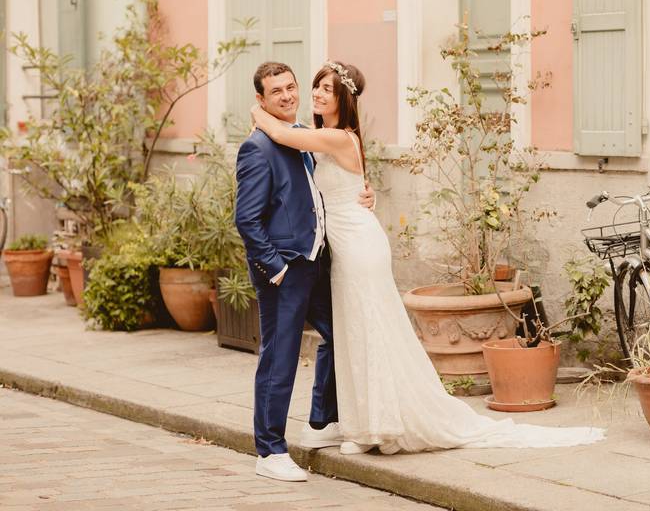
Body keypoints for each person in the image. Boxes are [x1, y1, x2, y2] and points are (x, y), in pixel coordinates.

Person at [250, 60, 604, 455]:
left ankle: (378, 426)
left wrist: (257, 110)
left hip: (360, 248)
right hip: (343, 247)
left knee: (369, 331)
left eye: (325, 89)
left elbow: (280, 132)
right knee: (353, 334)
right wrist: (364, 192)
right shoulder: (322, 136)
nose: (315, 94)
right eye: (315, 86)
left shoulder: (337, 137)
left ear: (343, 99)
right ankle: (357, 422)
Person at [234, 61, 375, 482]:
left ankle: (321, 421)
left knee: (338, 333)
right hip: (284, 269)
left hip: (313, 260)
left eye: (291, 87)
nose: (287, 95)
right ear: (261, 99)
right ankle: (270, 450)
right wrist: (275, 269)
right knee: (280, 356)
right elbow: (247, 220)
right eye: (275, 91)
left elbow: (315, 195)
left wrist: (362, 197)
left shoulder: (300, 138)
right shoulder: (258, 148)